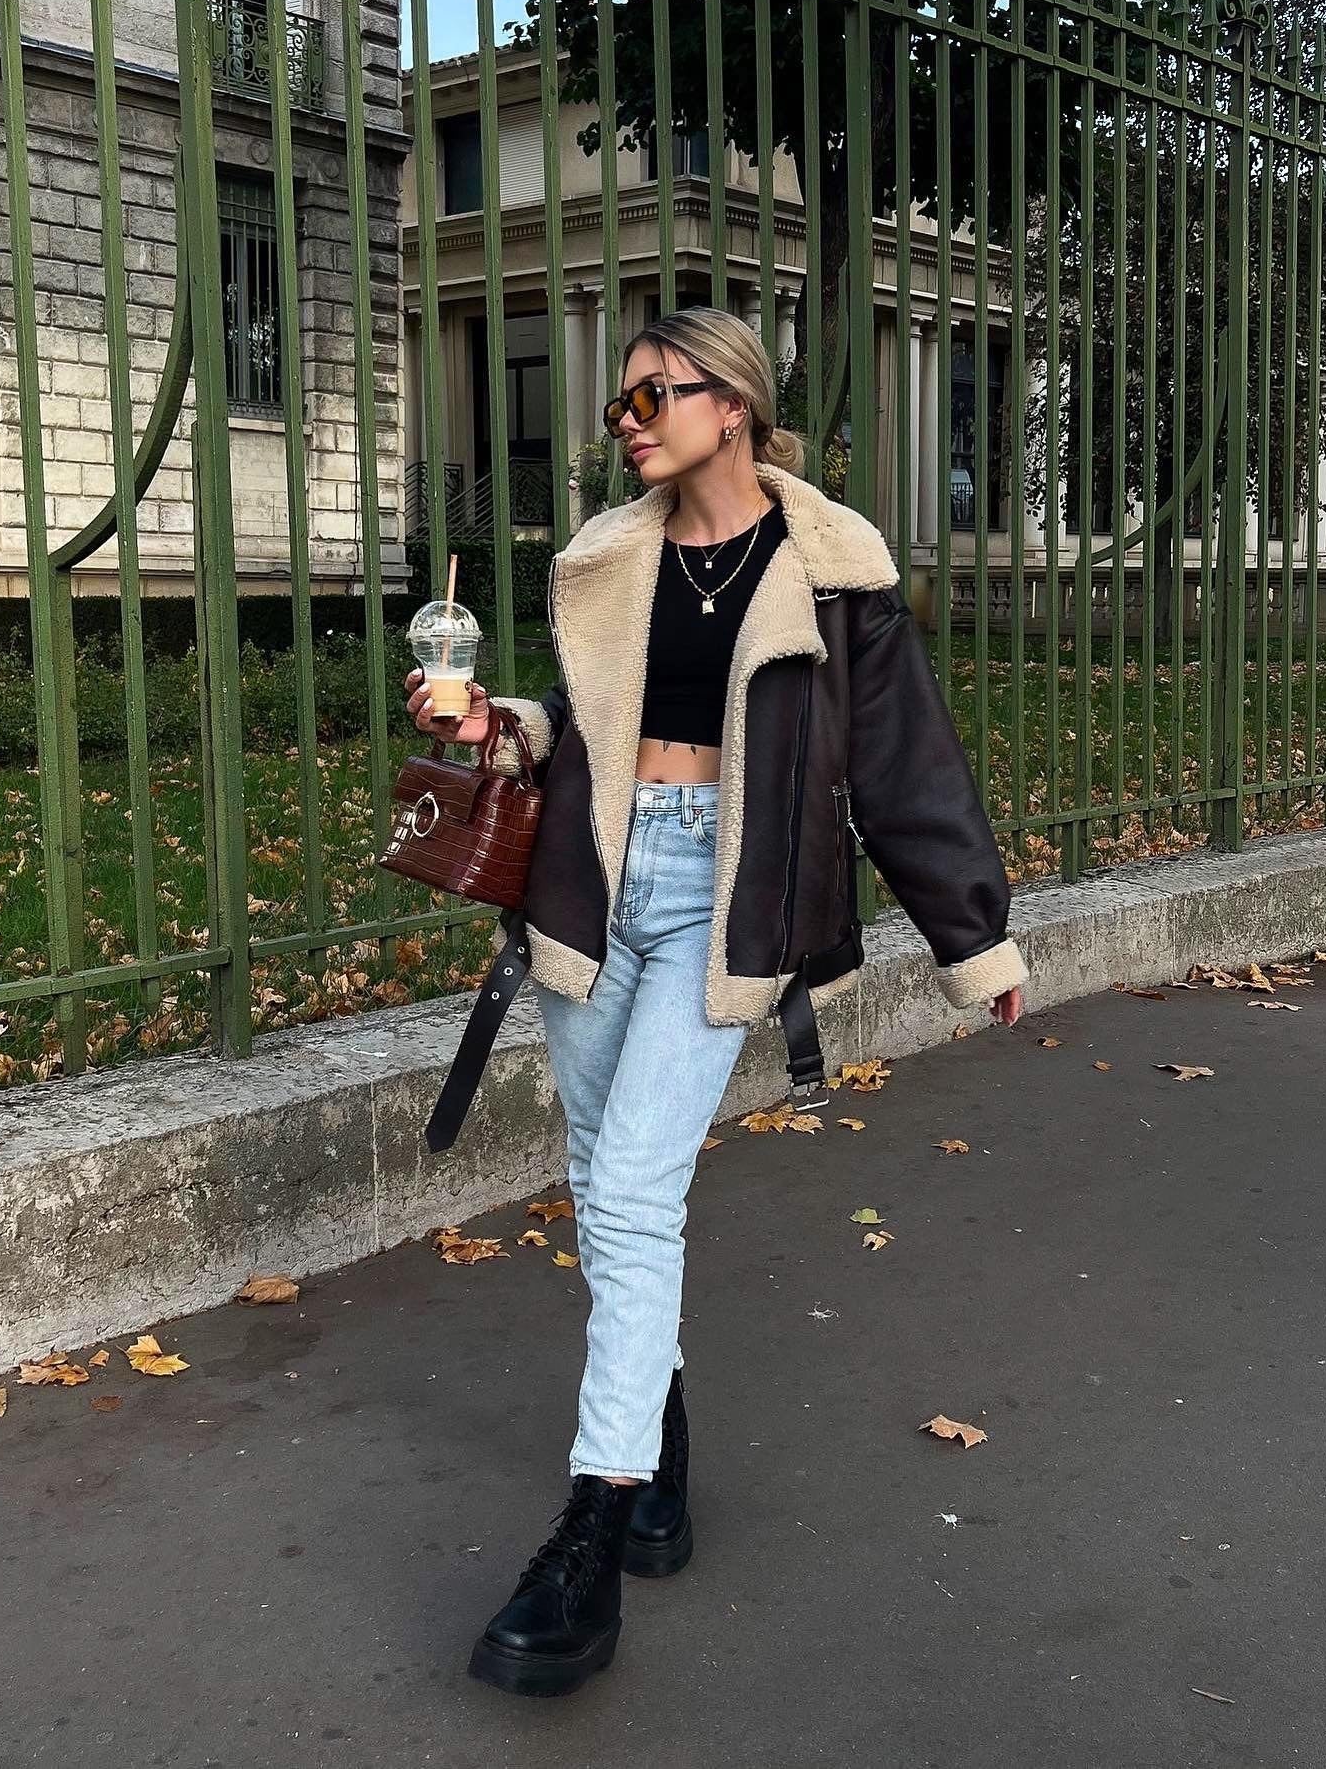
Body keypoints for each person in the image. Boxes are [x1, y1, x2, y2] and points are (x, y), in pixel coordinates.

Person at [403, 306, 1029, 1698]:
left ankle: (593, 1520)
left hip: (717, 897)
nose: (627, 419)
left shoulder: (833, 564)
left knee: (630, 1187)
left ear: (732, 402)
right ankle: (666, 1453)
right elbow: (578, 731)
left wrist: (971, 940)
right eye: (620, 402)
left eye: (652, 394)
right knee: (598, 1178)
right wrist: (491, 725)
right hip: (592, 879)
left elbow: (904, 760)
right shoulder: (612, 558)